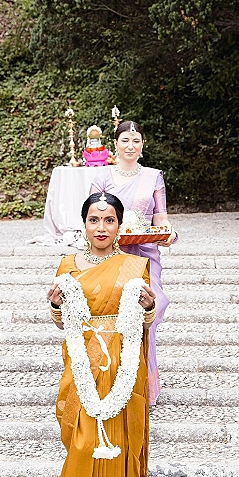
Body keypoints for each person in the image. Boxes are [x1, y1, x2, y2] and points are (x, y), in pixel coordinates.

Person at [47, 191, 156, 477]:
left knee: (121, 442)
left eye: (109, 220)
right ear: (84, 223)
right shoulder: (67, 264)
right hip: (83, 364)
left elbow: (144, 320)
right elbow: (62, 323)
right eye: (94, 219)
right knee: (82, 440)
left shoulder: (133, 266)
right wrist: (56, 305)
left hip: (124, 365)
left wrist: (147, 307)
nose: (101, 227)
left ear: (119, 225)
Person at [89, 120, 176, 404]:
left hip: (145, 254)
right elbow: (91, 218)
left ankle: (142, 388)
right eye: (125, 140)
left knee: (148, 310)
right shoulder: (102, 176)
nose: (131, 146)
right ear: (115, 143)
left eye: (136, 141)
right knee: (113, 315)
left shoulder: (153, 177)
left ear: (142, 145)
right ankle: (109, 382)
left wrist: (167, 232)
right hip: (111, 255)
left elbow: (160, 217)